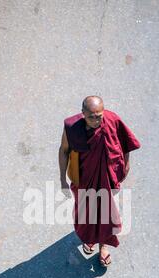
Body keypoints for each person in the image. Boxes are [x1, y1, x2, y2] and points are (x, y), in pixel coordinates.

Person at [58, 96, 141, 267]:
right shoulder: (72, 128)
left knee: (105, 214)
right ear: (83, 114)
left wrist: (126, 165)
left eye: (99, 116)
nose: (96, 121)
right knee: (85, 211)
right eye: (91, 117)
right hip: (83, 180)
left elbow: (125, 143)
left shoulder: (112, 120)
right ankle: (90, 239)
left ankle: (103, 245)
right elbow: (64, 151)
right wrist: (62, 180)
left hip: (106, 179)